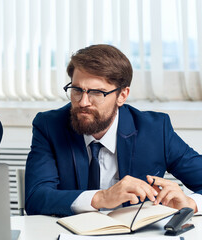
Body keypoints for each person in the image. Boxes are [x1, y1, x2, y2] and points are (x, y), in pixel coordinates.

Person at [25, 44, 202, 216]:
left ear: (122, 96)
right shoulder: (49, 125)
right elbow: (36, 198)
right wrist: (101, 198)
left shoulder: (155, 130)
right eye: (77, 90)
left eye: (97, 93)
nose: (83, 102)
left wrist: (191, 203)